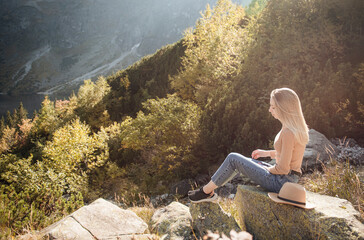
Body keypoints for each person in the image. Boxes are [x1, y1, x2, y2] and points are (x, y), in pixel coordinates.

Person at [188, 87, 309, 203]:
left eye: (273, 107)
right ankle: (208, 191)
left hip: (281, 182)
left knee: (233, 159)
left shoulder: (288, 132)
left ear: (284, 108)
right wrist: (266, 153)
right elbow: (286, 154)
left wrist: (266, 169)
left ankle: (205, 192)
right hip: (287, 180)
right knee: (245, 160)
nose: (269, 110)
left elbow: (282, 168)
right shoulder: (293, 128)